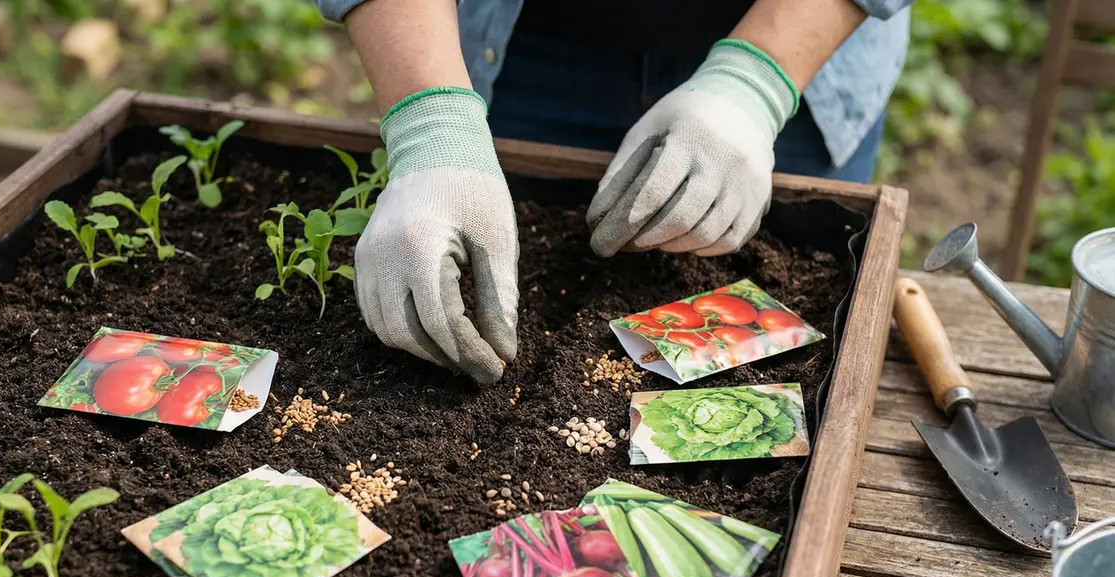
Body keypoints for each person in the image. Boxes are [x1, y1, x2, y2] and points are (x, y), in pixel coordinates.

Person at [313, 0, 911, 384]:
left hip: (810, 33)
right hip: (523, 44)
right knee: (469, 242)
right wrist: (431, 124)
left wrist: (757, 83)